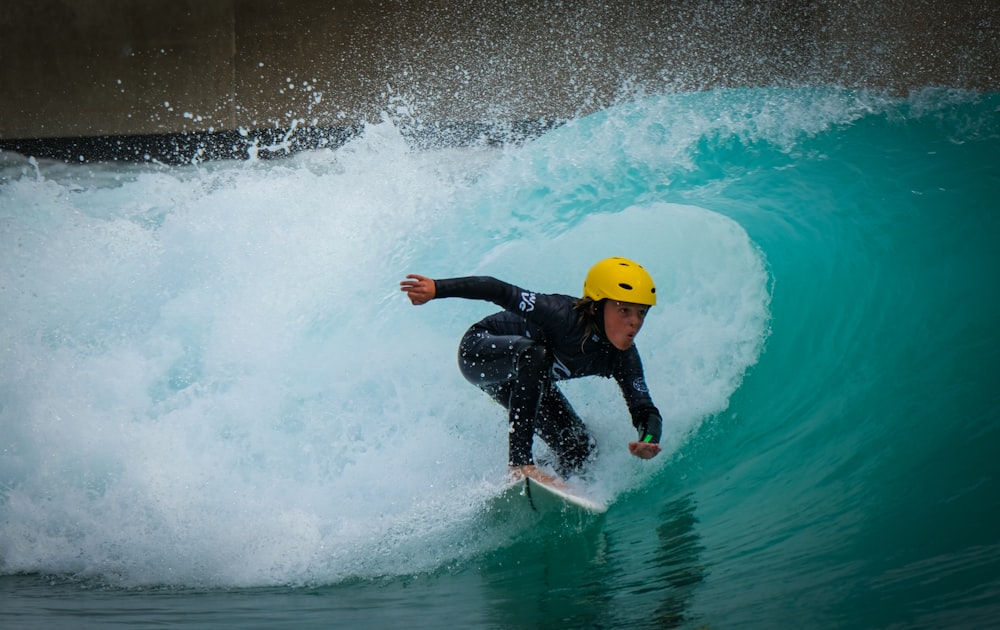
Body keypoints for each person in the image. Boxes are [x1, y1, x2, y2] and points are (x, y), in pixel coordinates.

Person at [400, 257, 663, 485]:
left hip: (523, 380)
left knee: (581, 449)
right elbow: (497, 289)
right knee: (536, 354)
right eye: (623, 310)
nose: (634, 322)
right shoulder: (560, 315)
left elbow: (645, 410)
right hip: (479, 351)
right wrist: (437, 288)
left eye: (641, 313)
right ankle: (520, 465)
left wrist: (648, 440)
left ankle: (548, 480)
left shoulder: (622, 357)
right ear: (596, 306)